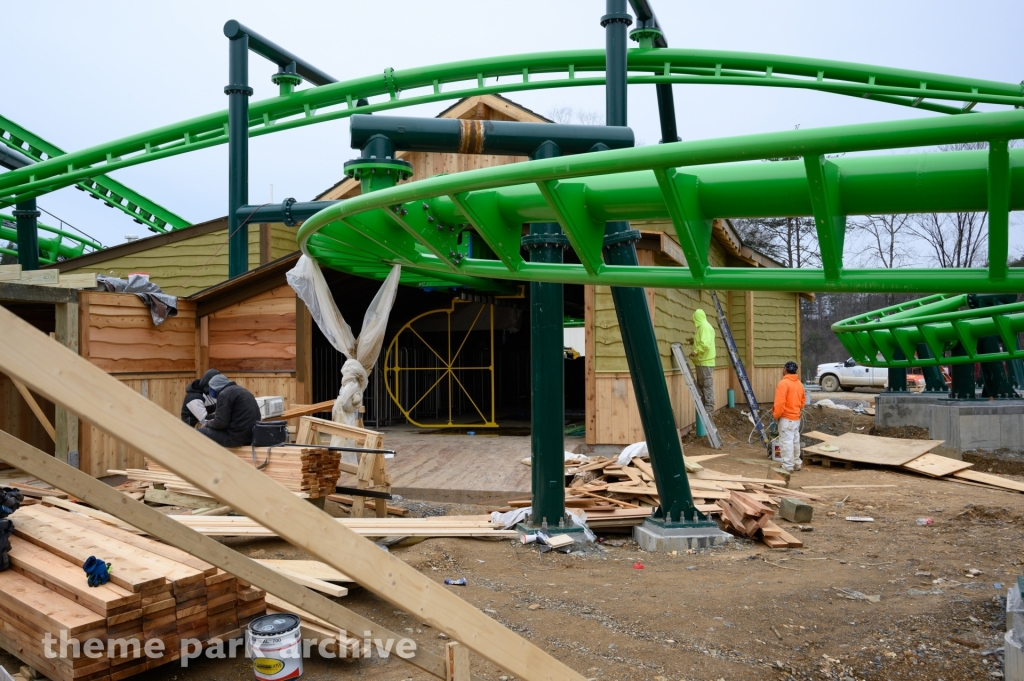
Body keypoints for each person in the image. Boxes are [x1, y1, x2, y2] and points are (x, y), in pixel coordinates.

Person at [198, 374, 262, 448]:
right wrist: (213, 421)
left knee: (199, 432)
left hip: (237, 438)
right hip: (251, 436)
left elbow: (221, 423)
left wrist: (207, 424)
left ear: (215, 387)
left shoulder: (224, 394)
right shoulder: (242, 390)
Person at [773, 361, 807, 473]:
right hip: (796, 418)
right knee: (795, 441)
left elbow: (780, 403)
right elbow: (802, 401)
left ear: (785, 369)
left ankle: (787, 466)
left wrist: (776, 415)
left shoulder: (783, 384)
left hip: (786, 418)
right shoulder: (799, 384)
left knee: (786, 442)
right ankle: (797, 463)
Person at [689, 308, 717, 412]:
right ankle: (705, 406)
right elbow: (703, 341)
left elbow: (705, 344)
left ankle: (709, 407)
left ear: (697, 318)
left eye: (694, 319)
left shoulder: (704, 327)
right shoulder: (703, 327)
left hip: (705, 362)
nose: (694, 322)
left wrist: (696, 351)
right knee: (702, 385)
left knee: (706, 385)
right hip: (702, 362)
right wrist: (694, 342)